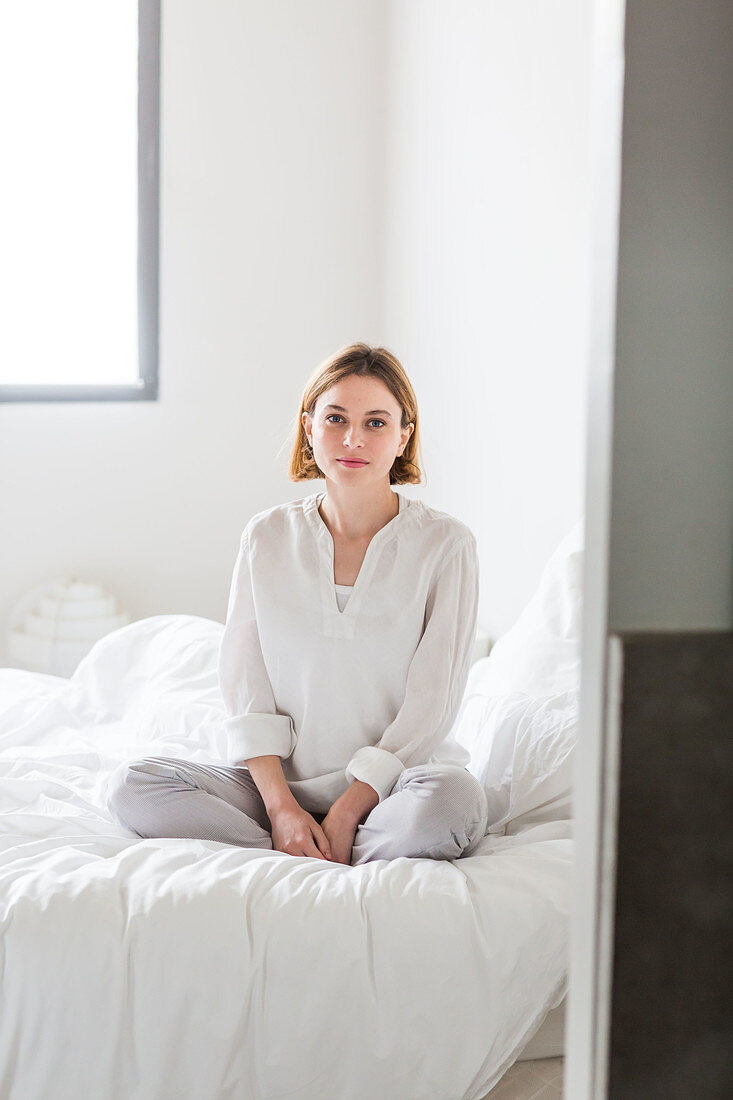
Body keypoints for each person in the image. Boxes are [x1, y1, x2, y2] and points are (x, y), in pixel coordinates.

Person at [107, 343, 489, 865]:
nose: (353, 438)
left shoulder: (446, 545)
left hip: (397, 790)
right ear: (309, 427)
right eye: (336, 418)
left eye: (376, 423)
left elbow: (432, 705)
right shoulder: (266, 536)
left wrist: (351, 808)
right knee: (134, 787)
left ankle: (325, 843)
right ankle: (298, 841)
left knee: (452, 806)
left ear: (404, 437)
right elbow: (248, 687)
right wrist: (283, 808)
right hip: (281, 790)